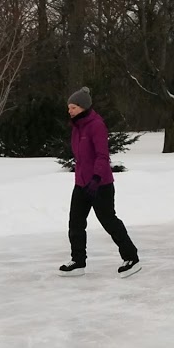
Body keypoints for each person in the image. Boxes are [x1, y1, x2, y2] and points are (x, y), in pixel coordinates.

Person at [59, 86, 140, 276]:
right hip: (81, 183)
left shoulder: (96, 125)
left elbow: (102, 155)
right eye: (69, 107)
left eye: (73, 107)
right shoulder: (77, 127)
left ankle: (132, 257)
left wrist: (96, 178)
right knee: (75, 222)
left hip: (100, 184)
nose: (69, 111)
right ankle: (78, 261)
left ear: (83, 107)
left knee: (108, 221)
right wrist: (83, 179)